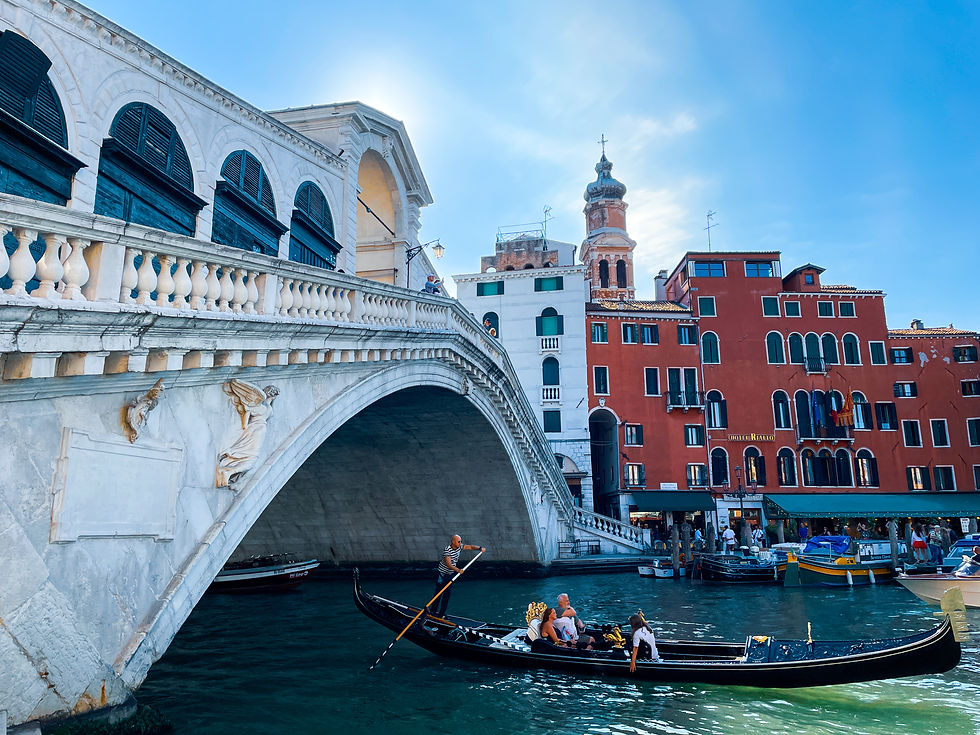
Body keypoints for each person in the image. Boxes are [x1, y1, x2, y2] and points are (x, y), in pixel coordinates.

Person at [432, 535, 484, 617]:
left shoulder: (459, 547)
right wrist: (458, 570)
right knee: (438, 595)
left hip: (450, 575)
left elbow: (470, 547)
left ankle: (441, 614)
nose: (460, 543)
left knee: (447, 595)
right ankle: (432, 612)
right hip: (442, 574)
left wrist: (479, 548)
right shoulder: (447, 550)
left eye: (461, 541)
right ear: (453, 542)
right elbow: (449, 564)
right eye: (459, 541)